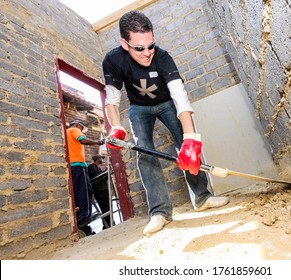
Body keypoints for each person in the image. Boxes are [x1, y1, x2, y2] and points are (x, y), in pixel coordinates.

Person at [102, 11, 229, 236]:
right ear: (124, 43)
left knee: (186, 143)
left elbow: (180, 97)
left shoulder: (163, 57)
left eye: (151, 45)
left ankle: (203, 198)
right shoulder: (113, 60)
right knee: (145, 153)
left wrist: (191, 139)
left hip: (166, 103)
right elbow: (111, 99)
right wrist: (116, 127)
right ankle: (160, 212)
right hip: (138, 108)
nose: (147, 53)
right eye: (139, 48)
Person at [66, 120, 105, 235]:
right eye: (82, 129)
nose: (82, 131)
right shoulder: (75, 130)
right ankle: (84, 216)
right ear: (79, 125)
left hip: (72, 166)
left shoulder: (66, 133)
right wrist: (98, 142)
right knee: (85, 191)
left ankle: (81, 221)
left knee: (78, 192)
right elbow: (82, 140)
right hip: (78, 164)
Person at [88, 155, 113, 229]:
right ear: (98, 159)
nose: (102, 160)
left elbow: (103, 178)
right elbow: (98, 178)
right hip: (100, 191)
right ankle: (107, 225)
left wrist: (107, 172)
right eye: (102, 158)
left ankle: (110, 224)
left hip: (104, 190)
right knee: (105, 208)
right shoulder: (91, 167)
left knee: (108, 208)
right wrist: (105, 172)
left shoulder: (97, 168)